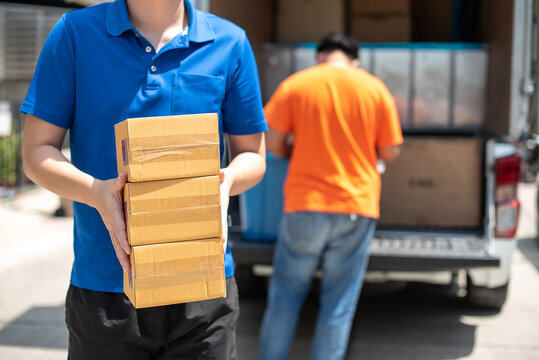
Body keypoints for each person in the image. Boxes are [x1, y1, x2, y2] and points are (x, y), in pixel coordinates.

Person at [21, 0, 267, 359]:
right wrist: (95, 192)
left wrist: (225, 182)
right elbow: (36, 152)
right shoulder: (74, 33)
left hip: (203, 287)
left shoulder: (230, 42)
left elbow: (254, 156)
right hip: (106, 287)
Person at [258, 33, 403, 360]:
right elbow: (391, 151)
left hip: (305, 205)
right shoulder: (375, 88)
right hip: (356, 206)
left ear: (320, 56)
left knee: (284, 299)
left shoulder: (297, 84)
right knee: (338, 304)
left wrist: (294, 148)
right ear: (355, 59)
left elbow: (273, 142)